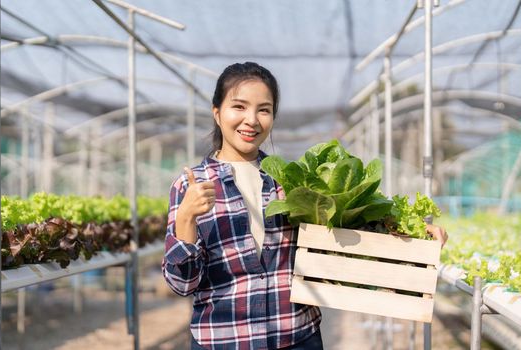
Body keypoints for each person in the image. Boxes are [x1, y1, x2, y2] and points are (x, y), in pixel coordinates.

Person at [161, 62, 448, 350]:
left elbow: (346, 229)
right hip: (224, 340)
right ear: (217, 112)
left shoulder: (287, 180)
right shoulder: (190, 185)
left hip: (298, 336)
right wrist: (186, 218)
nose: (252, 120)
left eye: (264, 109)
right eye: (239, 107)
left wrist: (413, 231)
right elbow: (182, 285)